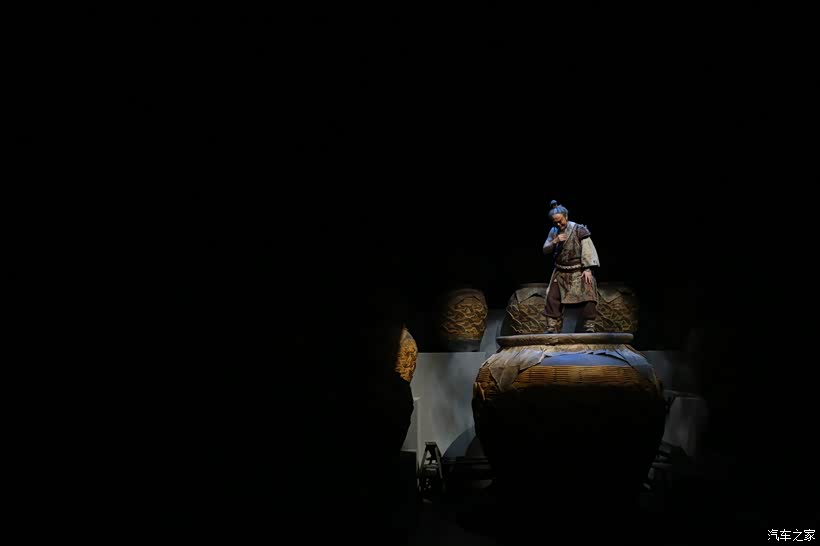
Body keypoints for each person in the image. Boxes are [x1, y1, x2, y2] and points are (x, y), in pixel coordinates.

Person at [542, 200, 600, 333]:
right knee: (552, 297)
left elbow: (588, 249)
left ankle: (589, 325)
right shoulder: (553, 231)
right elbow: (545, 249)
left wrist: (587, 268)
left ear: (566, 217)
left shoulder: (579, 229)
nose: (558, 224)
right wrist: (554, 241)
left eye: (560, 221)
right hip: (561, 271)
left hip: (579, 270)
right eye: (555, 222)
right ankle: (551, 326)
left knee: (589, 294)